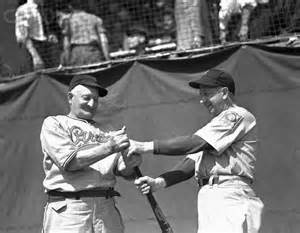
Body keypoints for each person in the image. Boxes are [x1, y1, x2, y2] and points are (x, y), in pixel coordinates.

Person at [128, 69, 264, 233]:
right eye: (201, 95)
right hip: (212, 195)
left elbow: (194, 143)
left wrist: (144, 147)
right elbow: (190, 164)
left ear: (224, 92)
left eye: (207, 94)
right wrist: (158, 183)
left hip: (230, 194)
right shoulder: (215, 126)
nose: (202, 100)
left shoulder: (237, 115)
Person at [40, 74, 142, 233]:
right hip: (70, 210)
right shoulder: (55, 123)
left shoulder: (107, 129)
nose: (92, 103)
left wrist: (131, 162)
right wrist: (109, 147)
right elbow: (70, 163)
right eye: (86, 98)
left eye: (96, 99)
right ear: (70, 97)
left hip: (106, 207)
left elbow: (125, 173)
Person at [61, 0, 110, 66]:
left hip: (76, 54)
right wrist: (108, 60)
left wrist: (67, 62)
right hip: (93, 52)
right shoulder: (96, 19)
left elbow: (66, 44)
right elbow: (104, 41)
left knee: (80, 76)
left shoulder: (68, 21)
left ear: (70, 6)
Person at [15, 0, 59, 70]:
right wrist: (35, 55)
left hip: (47, 46)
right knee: (38, 75)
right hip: (33, 47)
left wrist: (49, 36)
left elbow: (42, 28)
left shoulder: (43, 9)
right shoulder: (23, 10)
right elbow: (23, 36)